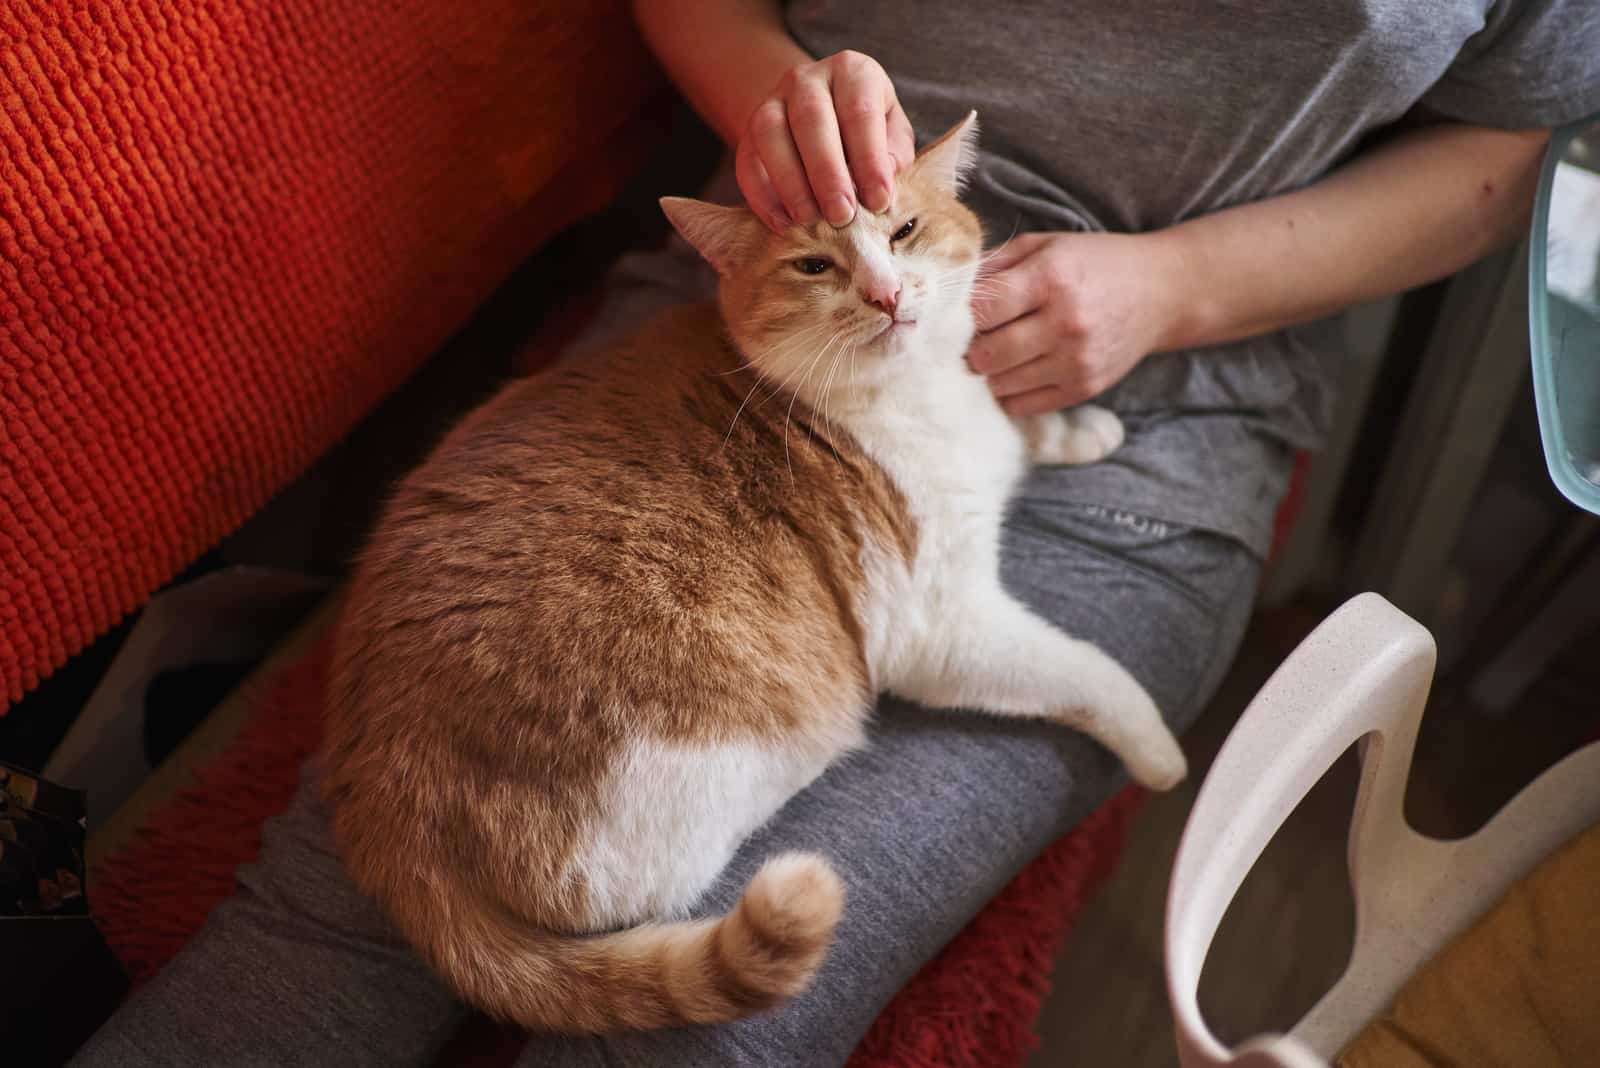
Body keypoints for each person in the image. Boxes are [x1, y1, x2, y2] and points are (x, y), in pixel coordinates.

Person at [73, 2, 1600, 1066]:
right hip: (753, 338)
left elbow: (1510, 150)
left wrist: (1174, 291)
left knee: (725, 1021)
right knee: (344, 906)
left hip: (1158, 414)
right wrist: (771, 109)